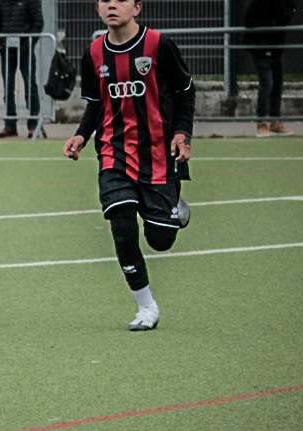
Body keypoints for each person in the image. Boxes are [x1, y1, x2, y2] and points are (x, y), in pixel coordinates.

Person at [62, 0, 195, 331]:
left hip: (158, 156)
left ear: (136, 7)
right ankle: (146, 306)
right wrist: (80, 136)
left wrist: (182, 134)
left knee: (160, 239)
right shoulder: (93, 53)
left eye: (119, 0)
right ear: (97, 9)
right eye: (105, 1)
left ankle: (173, 206)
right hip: (113, 152)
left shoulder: (159, 45)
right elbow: (95, 104)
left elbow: (185, 92)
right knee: (122, 227)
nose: (111, 5)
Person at [243, 0, 297, 137]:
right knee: (267, 84)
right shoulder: (257, 3)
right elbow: (248, 21)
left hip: (276, 47)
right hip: (260, 47)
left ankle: (275, 122)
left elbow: (285, 17)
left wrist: (279, 20)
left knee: (277, 84)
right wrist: (269, 24)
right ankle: (261, 122)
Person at [0, 0, 44, 138]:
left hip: (25, 50)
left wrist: (27, 44)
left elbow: (38, 23)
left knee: (30, 86)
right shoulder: (2, 2)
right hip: (7, 51)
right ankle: (10, 125)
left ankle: (33, 125)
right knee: (8, 88)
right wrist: (0, 44)